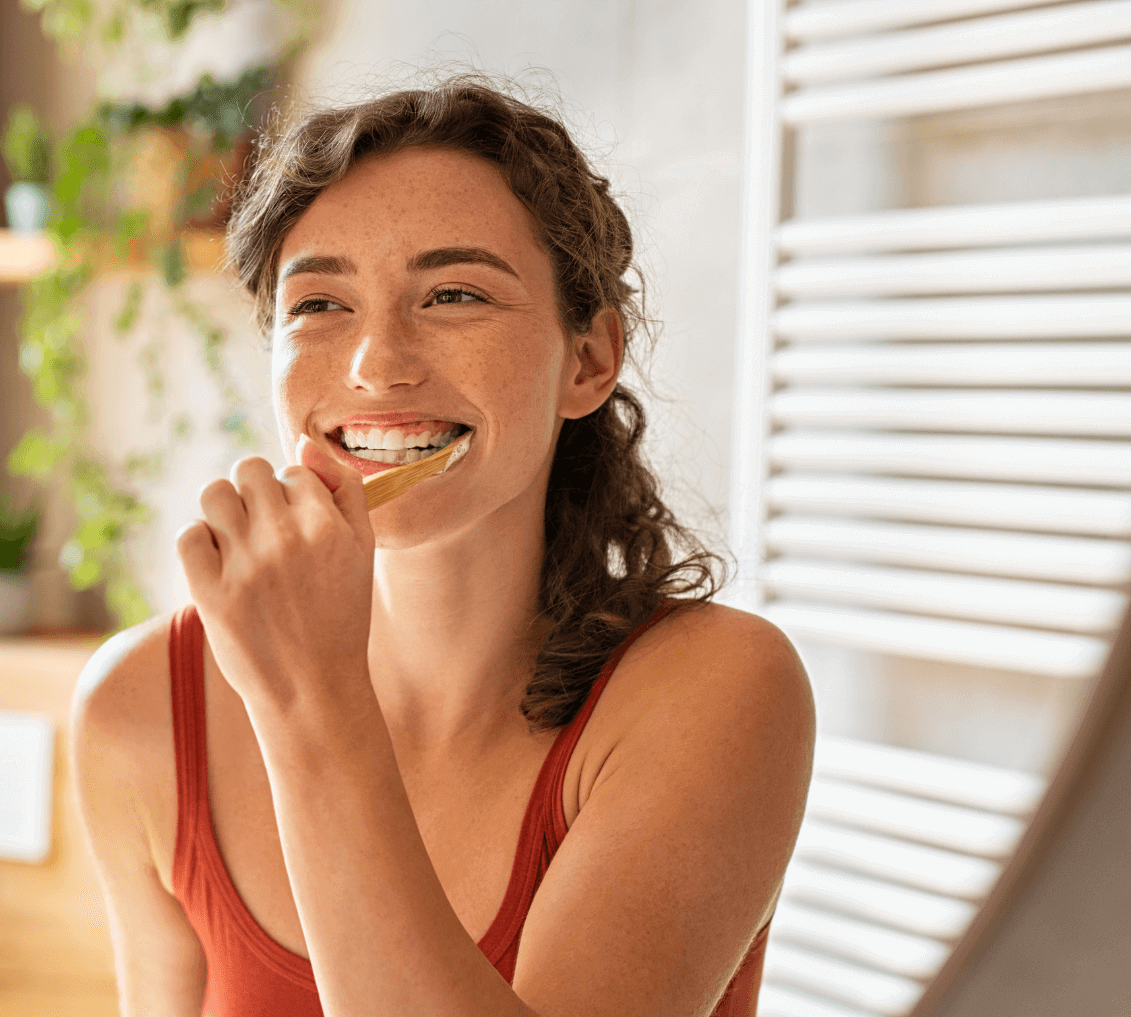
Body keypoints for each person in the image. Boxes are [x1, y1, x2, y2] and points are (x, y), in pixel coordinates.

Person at [72, 76, 814, 1017]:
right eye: (319, 305)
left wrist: (310, 698)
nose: (376, 363)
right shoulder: (140, 705)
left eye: (453, 294)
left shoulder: (716, 690)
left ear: (587, 360)